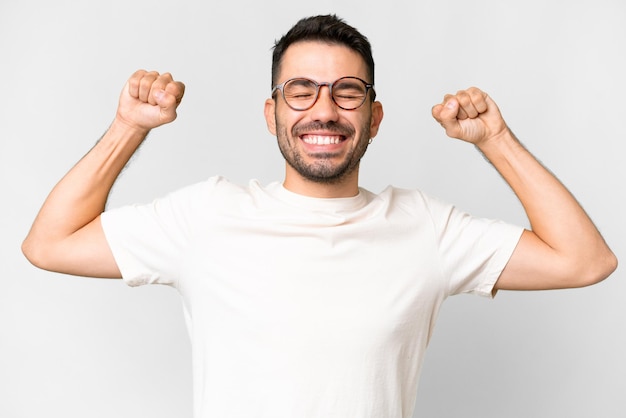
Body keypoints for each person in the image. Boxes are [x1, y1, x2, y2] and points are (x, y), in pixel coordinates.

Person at [22, 14, 616, 418]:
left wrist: (496, 138)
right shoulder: (205, 216)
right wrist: (128, 128)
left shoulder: (426, 229)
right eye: (301, 91)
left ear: (374, 116)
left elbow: (586, 261)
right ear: (272, 112)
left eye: (347, 92)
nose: (324, 111)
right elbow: (49, 244)